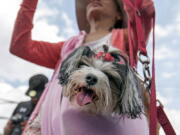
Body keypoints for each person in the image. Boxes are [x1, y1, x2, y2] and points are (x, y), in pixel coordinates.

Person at [9, 0, 155, 135]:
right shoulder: (68, 47)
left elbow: (145, 11)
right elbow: (20, 46)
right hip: (53, 128)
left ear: (119, 13)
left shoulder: (127, 38)